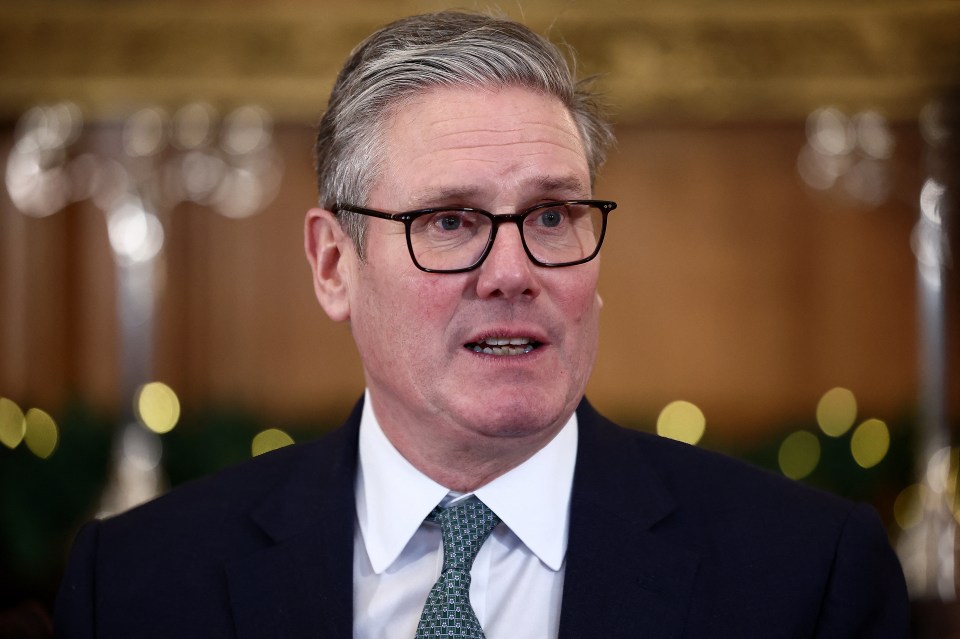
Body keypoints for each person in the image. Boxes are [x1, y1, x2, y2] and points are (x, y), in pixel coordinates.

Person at [55, 10, 909, 638]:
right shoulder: (140, 583)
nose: (513, 273)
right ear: (331, 265)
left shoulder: (807, 575)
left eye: (551, 216)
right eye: (451, 221)